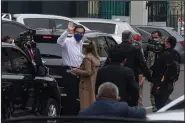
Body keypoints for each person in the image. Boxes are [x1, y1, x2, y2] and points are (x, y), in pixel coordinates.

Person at [57, 22, 85, 115]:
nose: (79, 34)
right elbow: (59, 41)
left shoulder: (81, 43)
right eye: (77, 32)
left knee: (79, 96)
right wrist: (67, 31)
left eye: (81, 33)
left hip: (80, 72)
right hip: (69, 72)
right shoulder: (68, 41)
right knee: (71, 97)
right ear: (73, 32)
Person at [79, 82, 146, 118]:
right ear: (118, 98)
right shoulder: (123, 108)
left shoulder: (83, 113)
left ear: (97, 96)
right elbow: (142, 112)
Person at [151, 36, 179, 110]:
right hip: (170, 82)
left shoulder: (164, 54)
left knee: (160, 104)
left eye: (165, 42)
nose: (163, 43)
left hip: (161, 82)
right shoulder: (175, 54)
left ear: (168, 44)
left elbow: (155, 67)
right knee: (166, 100)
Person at [72, 40, 100, 109]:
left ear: (85, 48)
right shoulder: (95, 58)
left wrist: (76, 70)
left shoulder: (87, 58)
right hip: (93, 83)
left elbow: (88, 72)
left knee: (85, 104)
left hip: (86, 85)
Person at [146, 30, 164, 112]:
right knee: (153, 92)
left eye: (156, 38)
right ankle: (155, 108)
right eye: (153, 37)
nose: (154, 39)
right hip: (153, 73)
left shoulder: (165, 46)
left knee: (163, 92)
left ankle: (165, 107)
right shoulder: (151, 47)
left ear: (160, 37)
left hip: (163, 74)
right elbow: (149, 60)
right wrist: (147, 72)